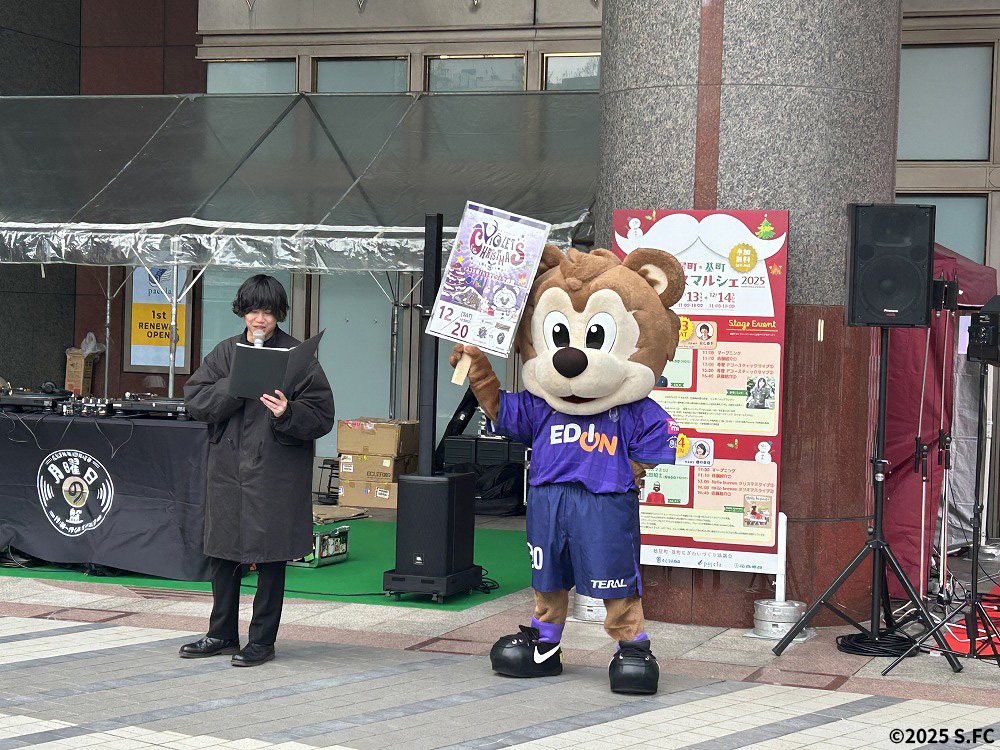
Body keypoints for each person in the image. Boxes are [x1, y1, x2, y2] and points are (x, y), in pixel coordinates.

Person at [181, 275, 334, 667]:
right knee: (223, 552)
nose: (259, 319)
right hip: (228, 470)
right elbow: (196, 401)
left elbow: (321, 416)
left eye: (267, 311)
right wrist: (234, 387)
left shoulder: (297, 355)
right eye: (253, 310)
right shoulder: (225, 352)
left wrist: (288, 412)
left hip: (274, 472)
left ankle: (262, 640)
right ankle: (221, 633)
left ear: (278, 313)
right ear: (242, 312)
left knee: (270, 556)